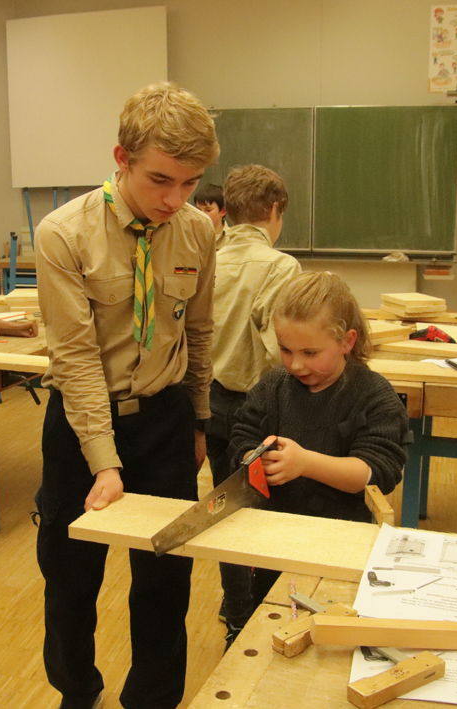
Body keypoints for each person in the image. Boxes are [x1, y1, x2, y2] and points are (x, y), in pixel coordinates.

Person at [34, 82, 218, 709]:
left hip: (164, 421)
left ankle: (153, 701)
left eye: (190, 183)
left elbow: (199, 332)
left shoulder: (198, 233)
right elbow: (76, 357)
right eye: (160, 180)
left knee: (166, 579)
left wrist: (198, 422)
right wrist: (104, 461)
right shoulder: (64, 234)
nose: (174, 199)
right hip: (82, 423)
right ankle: (77, 692)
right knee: (69, 578)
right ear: (122, 158)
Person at [228, 271, 410, 610]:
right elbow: (242, 435)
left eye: (310, 352)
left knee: (333, 624)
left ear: (347, 341)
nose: (296, 364)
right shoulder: (273, 387)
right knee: (269, 614)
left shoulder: (374, 396)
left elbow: (377, 472)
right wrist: (254, 457)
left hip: (342, 545)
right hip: (273, 541)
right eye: (285, 350)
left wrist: (305, 463)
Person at [204, 164, 301, 645]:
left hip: (211, 400)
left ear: (229, 210)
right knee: (267, 512)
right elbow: (280, 352)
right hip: (261, 408)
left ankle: (235, 607)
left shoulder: (206, 258)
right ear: (275, 210)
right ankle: (259, 616)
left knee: (224, 505)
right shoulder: (280, 267)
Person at [193, 182, 228, 248]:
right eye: (198, 210)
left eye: (208, 210)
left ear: (222, 211)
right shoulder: (190, 235)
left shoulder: (232, 238)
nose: (201, 214)